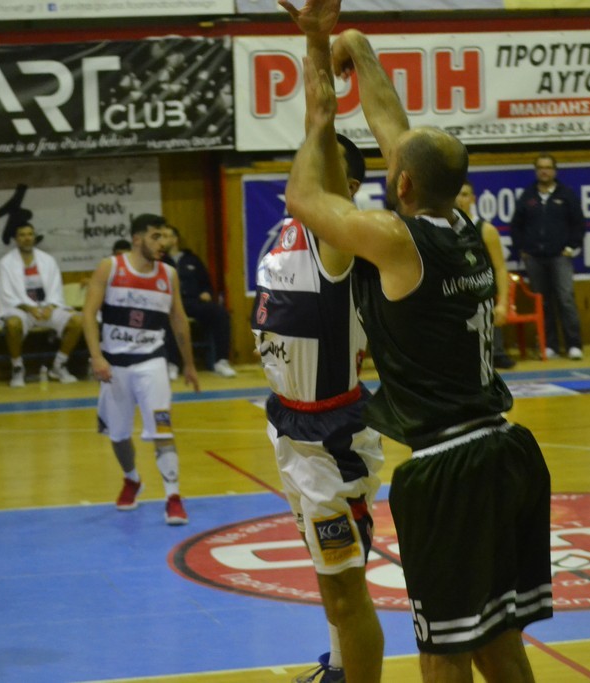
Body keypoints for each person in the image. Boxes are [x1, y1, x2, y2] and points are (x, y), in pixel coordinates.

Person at [285, 7, 553, 680]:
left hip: (450, 465)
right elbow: (398, 132)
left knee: (444, 649)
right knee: (497, 641)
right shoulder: (465, 227)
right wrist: (353, 45)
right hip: (506, 449)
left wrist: (320, 110)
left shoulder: (396, 242)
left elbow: (303, 197)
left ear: (401, 182)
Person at [259, 5, 384, 681]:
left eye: (318, 163)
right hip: (289, 422)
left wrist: (315, 38)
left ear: (344, 187)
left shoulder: (337, 236)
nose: (301, 166)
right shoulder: (289, 230)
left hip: (330, 436)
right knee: (325, 570)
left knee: (344, 587)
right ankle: (339, 666)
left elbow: (320, 116)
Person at [82, 213, 200, 526]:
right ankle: (132, 478)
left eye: (165, 236)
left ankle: (173, 497)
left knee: (162, 428)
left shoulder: (168, 274)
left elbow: (179, 320)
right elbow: (88, 313)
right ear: (137, 239)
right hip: (114, 365)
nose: (163, 243)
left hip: (152, 361)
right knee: (119, 435)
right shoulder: (110, 267)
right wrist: (96, 357)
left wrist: (189, 364)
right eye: (155, 236)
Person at [509, 154, 586, 360]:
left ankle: (574, 345)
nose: (544, 171)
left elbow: (579, 224)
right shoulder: (527, 196)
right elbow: (516, 225)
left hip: (560, 257)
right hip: (534, 258)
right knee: (542, 303)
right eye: (540, 168)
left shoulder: (566, 195)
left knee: (565, 299)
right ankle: (550, 345)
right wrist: (522, 249)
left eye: (548, 167)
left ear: (554, 170)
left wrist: (571, 247)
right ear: (536, 171)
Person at [0, 223, 83, 387]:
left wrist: (50, 307)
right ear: (15, 239)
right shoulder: (5, 263)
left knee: (77, 321)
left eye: (30, 234)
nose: (27, 238)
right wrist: (30, 308)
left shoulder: (47, 260)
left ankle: (59, 365)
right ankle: (17, 368)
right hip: (22, 310)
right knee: (12, 324)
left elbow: (56, 289)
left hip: (47, 308)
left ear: (34, 237)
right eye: (22, 235)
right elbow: (6, 294)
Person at [162, 226, 237, 379]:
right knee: (168, 318)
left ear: (175, 239)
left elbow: (206, 283)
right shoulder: (160, 261)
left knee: (220, 313)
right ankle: (172, 363)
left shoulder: (192, 259)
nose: (164, 240)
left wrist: (206, 292)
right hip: (171, 304)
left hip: (193, 301)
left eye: (167, 236)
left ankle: (221, 361)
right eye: (161, 236)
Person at [456, 181, 515, 369]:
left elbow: (500, 268)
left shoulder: (485, 230)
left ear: (473, 199)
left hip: (482, 296)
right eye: (456, 194)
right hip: (454, 298)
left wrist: (503, 303)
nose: (459, 199)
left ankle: (497, 352)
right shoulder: (440, 229)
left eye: (465, 194)